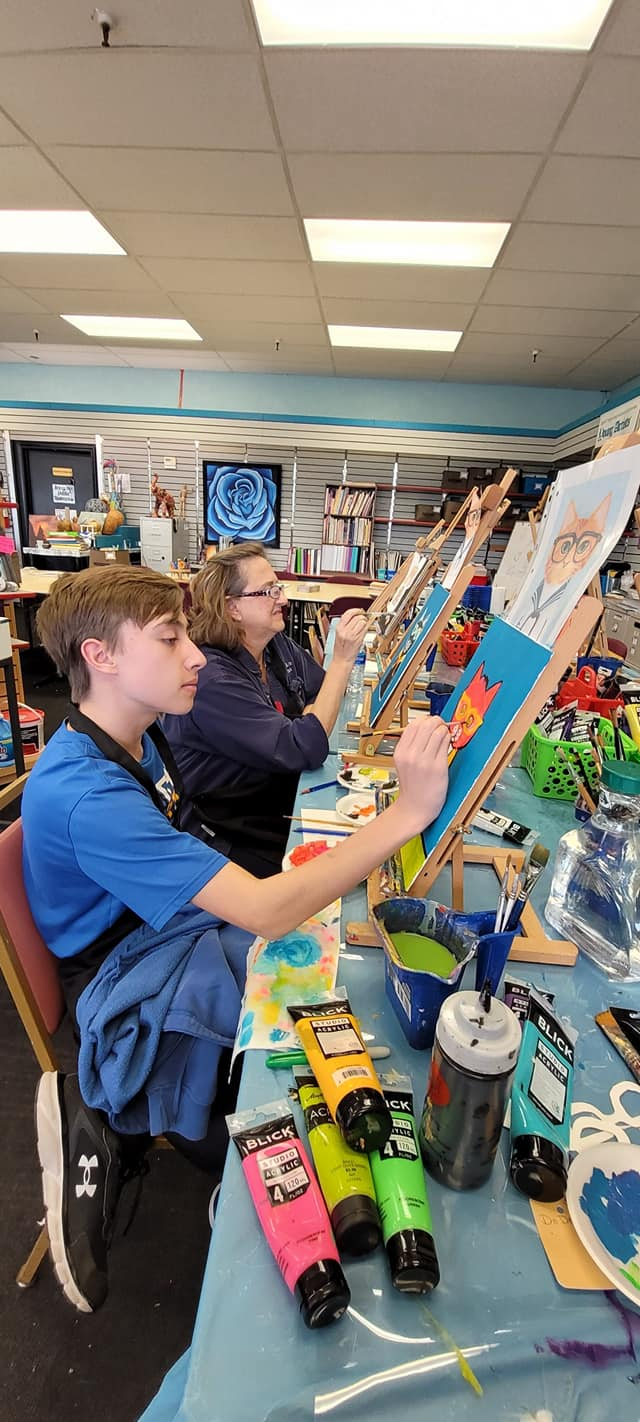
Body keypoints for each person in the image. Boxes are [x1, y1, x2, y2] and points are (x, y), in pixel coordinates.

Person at [21, 565, 449, 1313]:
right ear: (102, 657)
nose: (194, 655)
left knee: (316, 970)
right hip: (122, 970)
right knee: (299, 1103)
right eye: (171, 637)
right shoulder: (89, 793)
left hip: (161, 923)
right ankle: (106, 1118)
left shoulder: (131, 736)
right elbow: (262, 908)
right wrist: (405, 816)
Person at [164, 543, 368, 876]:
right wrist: (343, 659)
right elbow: (306, 746)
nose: (283, 599)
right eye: (269, 591)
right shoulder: (212, 679)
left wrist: (304, 725)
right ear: (232, 608)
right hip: (223, 834)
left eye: (279, 588)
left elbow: (320, 691)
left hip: (267, 800)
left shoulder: (272, 643)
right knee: (337, 873)